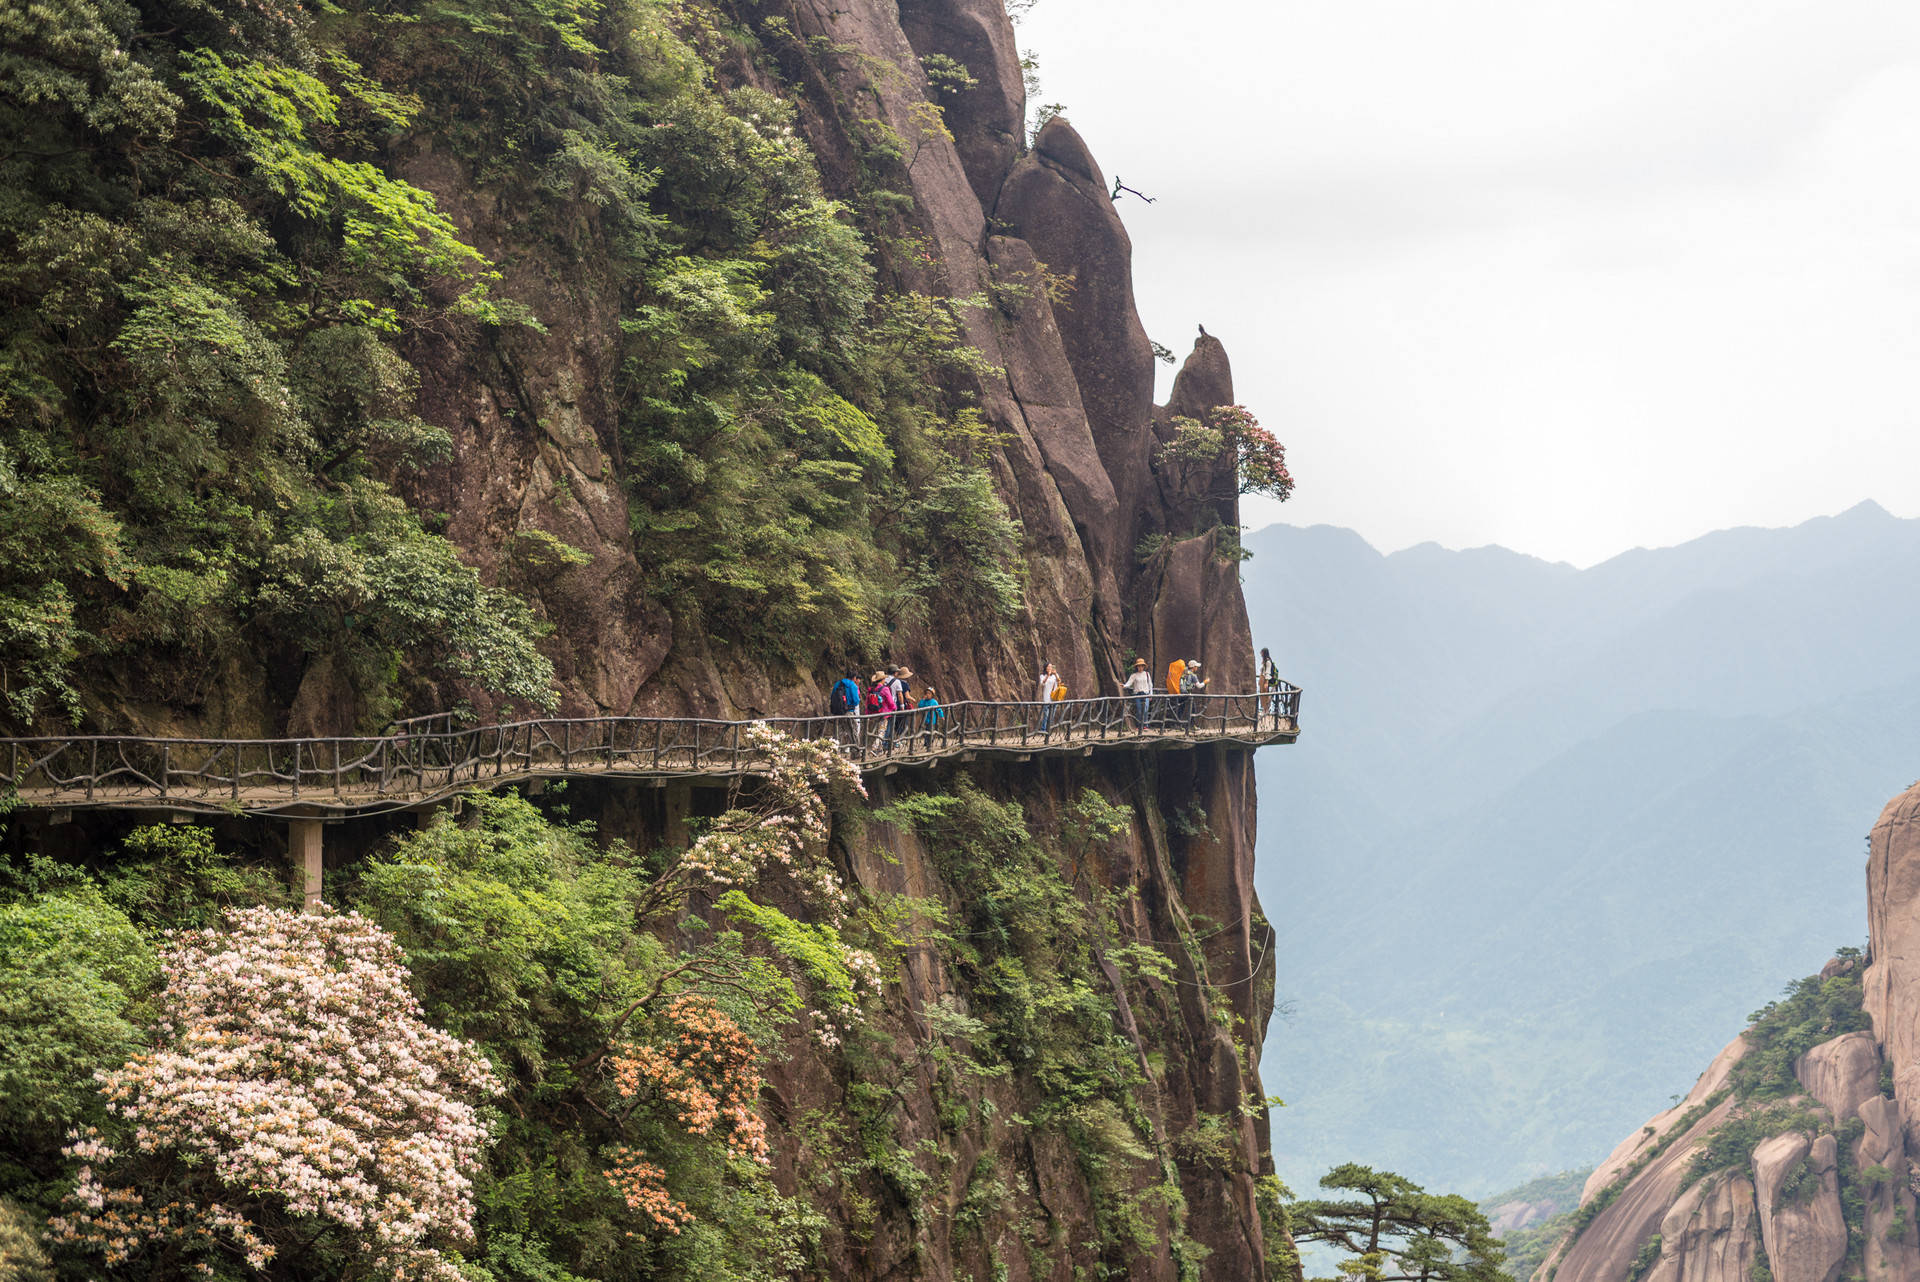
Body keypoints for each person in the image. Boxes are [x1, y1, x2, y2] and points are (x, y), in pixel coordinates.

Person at [1117, 658, 1153, 730]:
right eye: (1138, 666)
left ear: (1143, 666)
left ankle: (1145, 725)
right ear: (1137, 667)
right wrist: (1124, 686)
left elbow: (1150, 685)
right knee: (1139, 710)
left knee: (1145, 709)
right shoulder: (1134, 675)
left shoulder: (1147, 674)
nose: (1140, 667)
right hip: (1137, 694)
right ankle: (1139, 725)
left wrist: (1151, 694)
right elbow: (1129, 683)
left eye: (1141, 666)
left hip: (1146, 693)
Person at [865, 671, 897, 748]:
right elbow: (890, 702)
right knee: (881, 731)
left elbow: (867, 702)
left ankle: (877, 748)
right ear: (882, 680)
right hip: (883, 714)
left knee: (874, 731)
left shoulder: (871, 689)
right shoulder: (885, 689)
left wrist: (867, 713)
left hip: (873, 713)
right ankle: (875, 748)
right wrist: (894, 709)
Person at [1179, 659, 1207, 729]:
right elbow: (1199, 686)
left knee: (1181, 709)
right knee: (1193, 709)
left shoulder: (1184, 673)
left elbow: (1182, 684)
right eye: (1196, 666)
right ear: (1193, 667)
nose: (1197, 668)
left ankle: (1178, 725)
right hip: (1188, 694)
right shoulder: (1193, 675)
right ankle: (1192, 725)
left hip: (1181, 693)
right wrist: (1205, 682)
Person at [1257, 647, 1281, 723]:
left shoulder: (1268, 662)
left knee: (1266, 696)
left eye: (1261, 652)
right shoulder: (1264, 661)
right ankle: (1264, 709)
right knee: (1263, 695)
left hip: (1266, 681)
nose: (1260, 653)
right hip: (1262, 680)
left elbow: (1267, 672)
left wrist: (1266, 683)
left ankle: (1266, 710)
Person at [1036, 662, 1061, 734]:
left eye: (1051, 666)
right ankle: (1043, 730)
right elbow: (1043, 683)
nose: (1050, 668)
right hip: (1047, 697)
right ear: (1045, 668)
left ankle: (1049, 730)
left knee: (1052, 715)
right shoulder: (1042, 675)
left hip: (1055, 697)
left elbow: (1059, 681)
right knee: (1046, 715)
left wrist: (1055, 674)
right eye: (1049, 667)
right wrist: (1048, 675)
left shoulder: (1054, 676)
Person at [1165, 657, 1186, 728]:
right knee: (1179, 709)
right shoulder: (1179, 673)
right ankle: (1177, 723)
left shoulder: (1174, 671)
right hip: (1179, 693)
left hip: (1175, 693)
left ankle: (1177, 723)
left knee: (1178, 708)